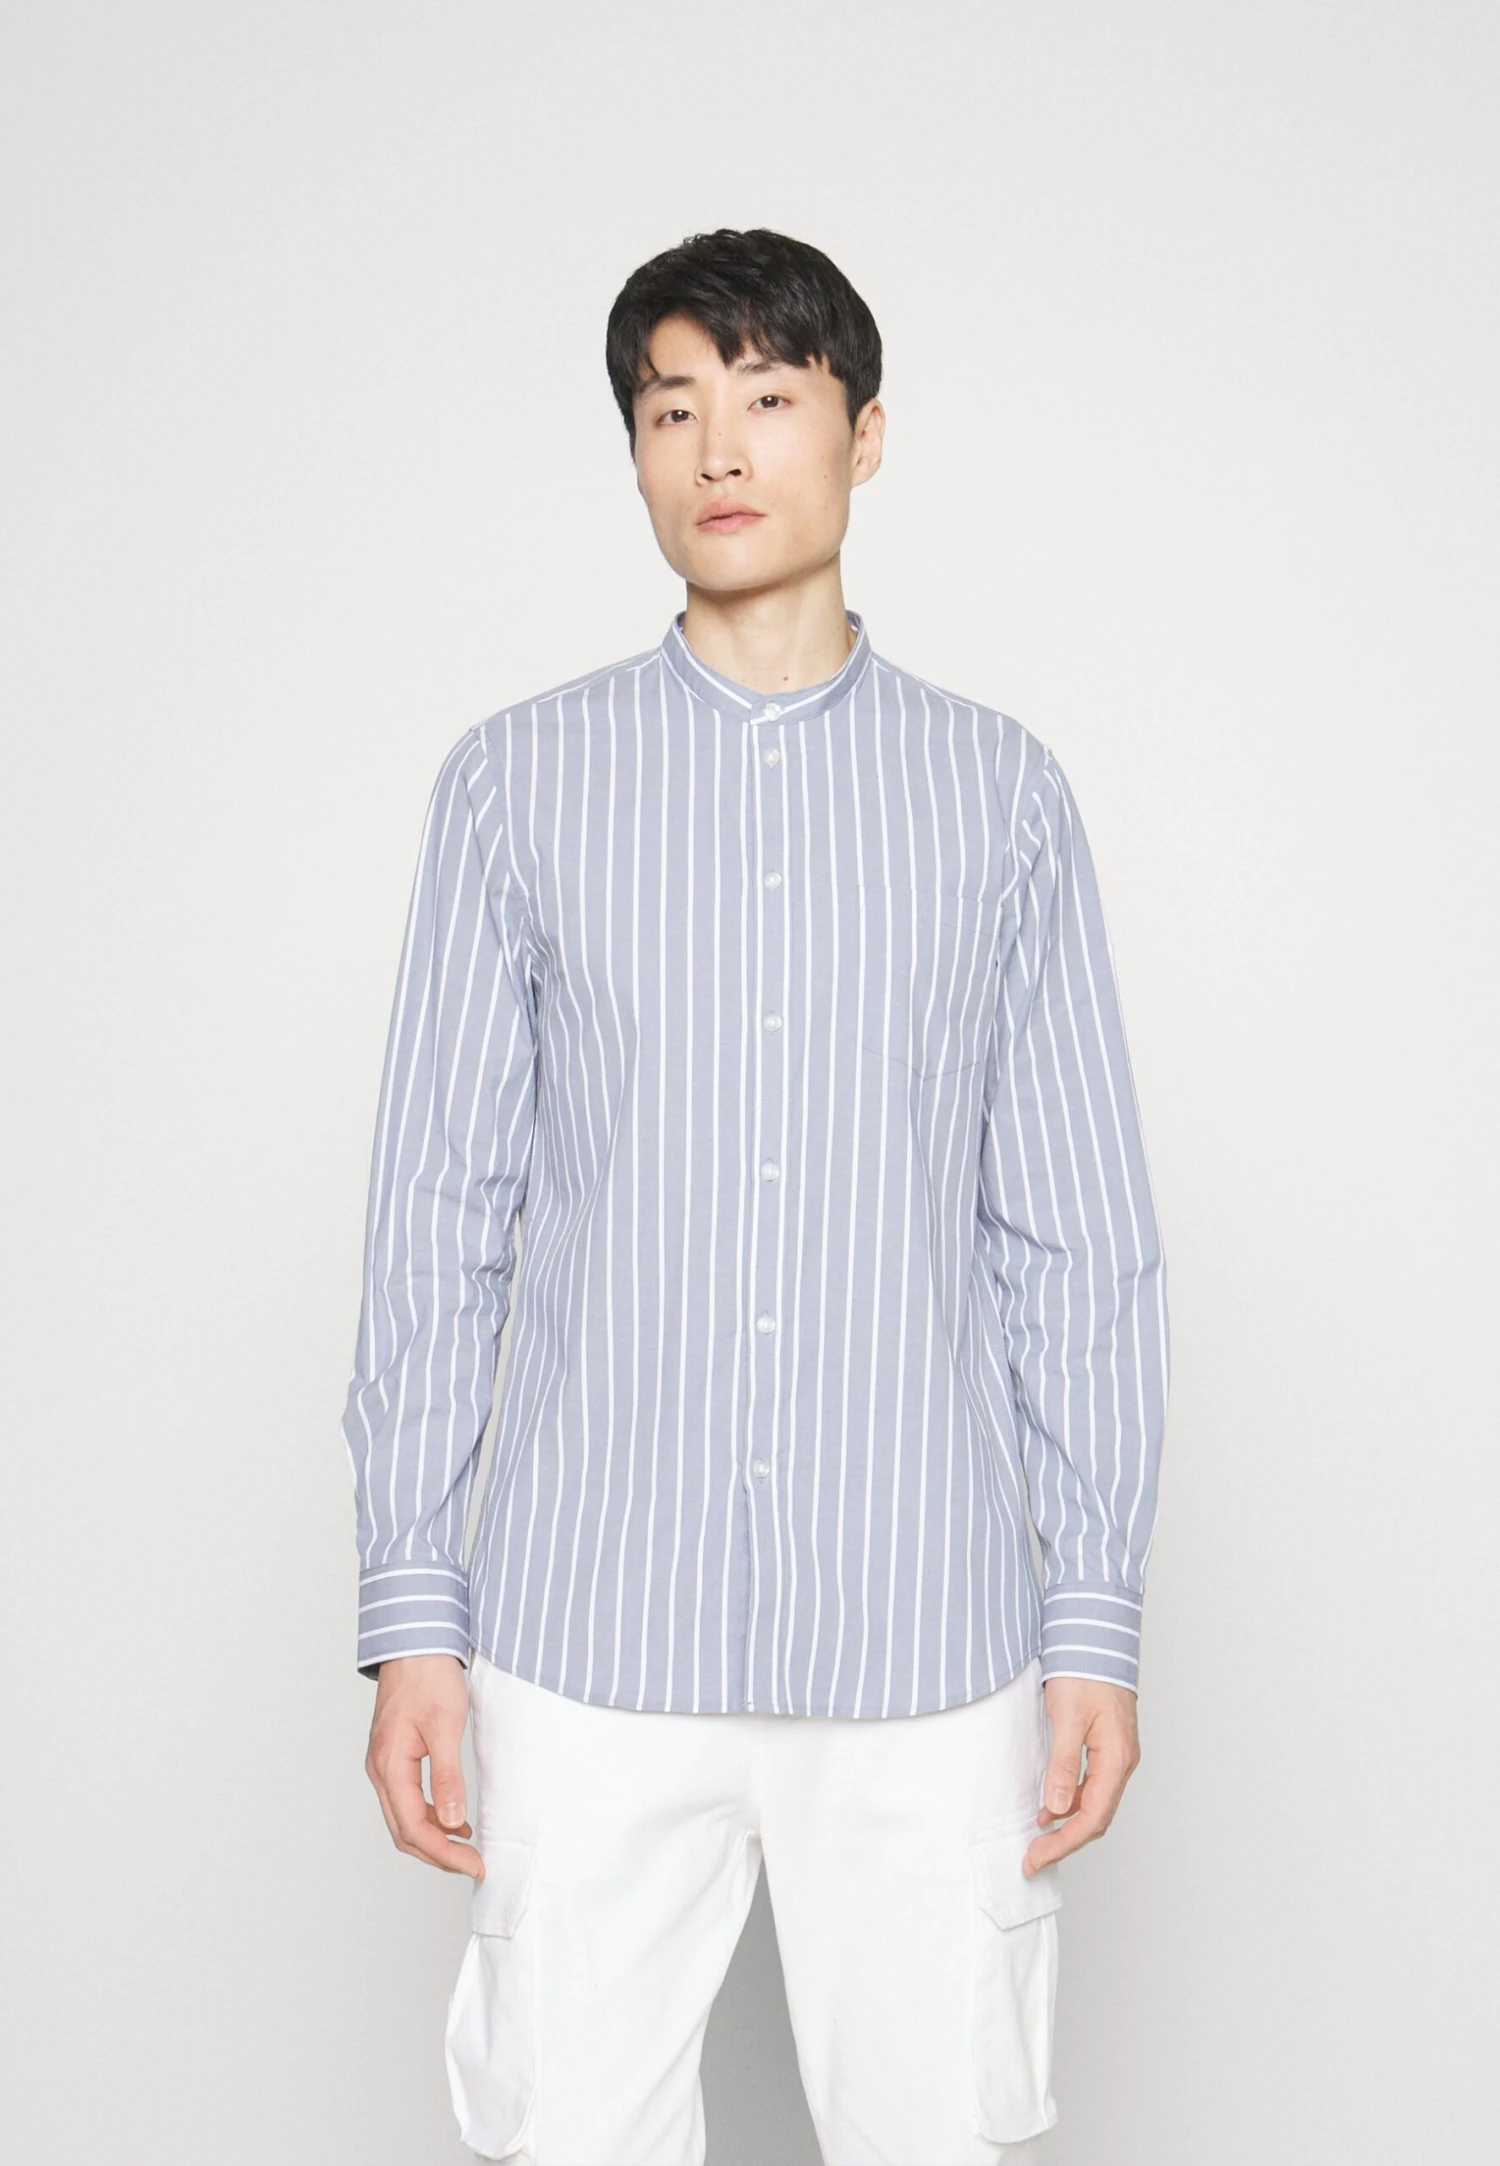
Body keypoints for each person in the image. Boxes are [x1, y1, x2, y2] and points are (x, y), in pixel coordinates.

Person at [340, 225, 1170, 2165]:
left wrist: (1093, 1615)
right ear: (634, 451)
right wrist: (413, 1614)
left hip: (925, 1639)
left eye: (770, 398)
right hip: (585, 1637)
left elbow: (1077, 1240)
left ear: (864, 436)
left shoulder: (1002, 799)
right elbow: (437, 1217)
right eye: (671, 409)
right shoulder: (515, 788)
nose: (718, 448)